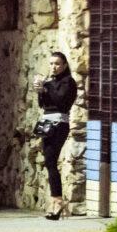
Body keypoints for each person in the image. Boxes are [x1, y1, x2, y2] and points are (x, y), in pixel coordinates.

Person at [34, 52, 78, 219]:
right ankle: (56, 201)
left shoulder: (69, 82)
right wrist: (41, 90)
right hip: (46, 122)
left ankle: (57, 201)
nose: (54, 67)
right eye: (51, 63)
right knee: (48, 161)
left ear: (65, 65)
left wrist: (46, 88)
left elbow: (61, 101)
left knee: (51, 160)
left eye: (57, 64)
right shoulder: (50, 82)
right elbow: (43, 104)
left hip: (59, 123)